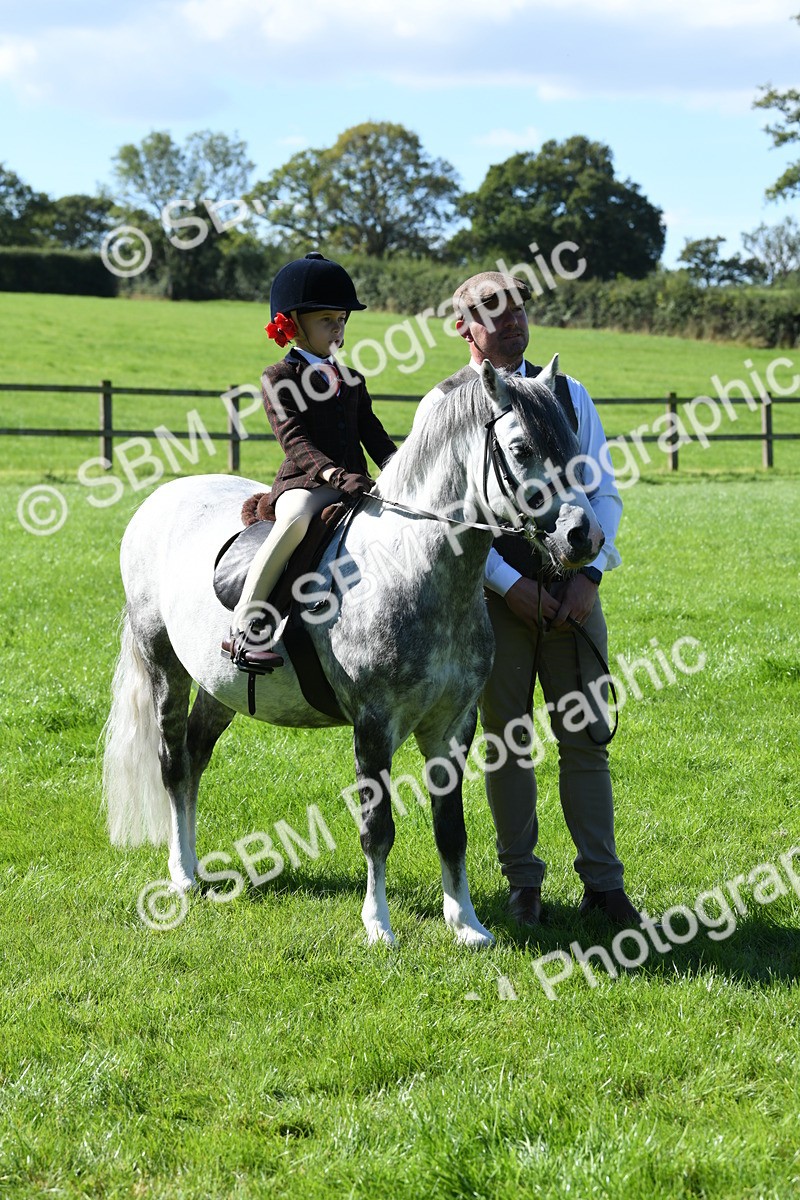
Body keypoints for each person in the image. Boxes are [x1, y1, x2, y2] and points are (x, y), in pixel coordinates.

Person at [416, 270, 642, 928]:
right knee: (507, 744)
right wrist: (509, 586)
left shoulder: (569, 394)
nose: (511, 321)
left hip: (573, 597)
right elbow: (443, 518)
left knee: (587, 740)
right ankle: (523, 886)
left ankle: (604, 884)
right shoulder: (445, 406)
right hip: (493, 607)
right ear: (463, 326)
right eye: (492, 311)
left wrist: (588, 575)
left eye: (518, 308)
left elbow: (604, 496)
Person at [222, 252, 397, 672]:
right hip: (305, 483)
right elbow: (293, 438)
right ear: (294, 325)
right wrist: (332, 473)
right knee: (297, 519)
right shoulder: (278, 376)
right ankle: (245, 626)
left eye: (342, 320)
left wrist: (398, 468)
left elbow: (373, 434)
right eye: (326, 321)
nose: (337, 329)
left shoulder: (352, 379)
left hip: (355, 482)